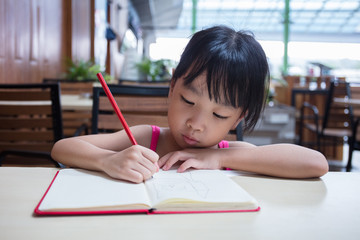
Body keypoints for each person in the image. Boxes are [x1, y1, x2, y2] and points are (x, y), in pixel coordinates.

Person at [51, 25, 328, 183]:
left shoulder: (230, 153)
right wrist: (107, 160)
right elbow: (62, 148)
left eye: (219, 114)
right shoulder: (148, 139)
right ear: (172, 87)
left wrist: (219, 158)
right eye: (188, 100)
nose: (196, 124)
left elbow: (316, 163)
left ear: (238, 118)